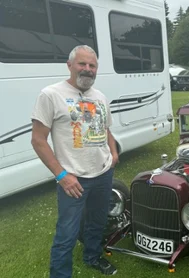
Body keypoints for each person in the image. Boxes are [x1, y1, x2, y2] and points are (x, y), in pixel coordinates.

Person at [31, 45, 119, 277]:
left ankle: (92, 257)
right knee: (66, 233)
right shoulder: (51, 95)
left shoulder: (100, 97)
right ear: (70, 65)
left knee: (97, 223)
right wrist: (62, 175)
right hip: (73, 179)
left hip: (102, 174)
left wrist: (113, 153)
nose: (87, 69)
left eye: (92, 65)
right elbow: (38, 140)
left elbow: (106, 129)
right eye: (82, 64)